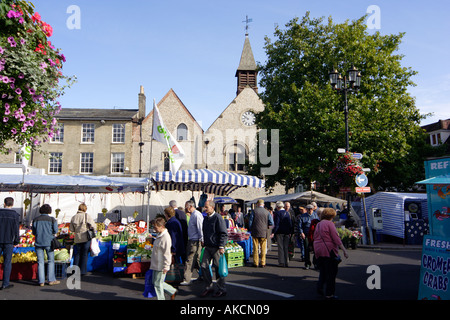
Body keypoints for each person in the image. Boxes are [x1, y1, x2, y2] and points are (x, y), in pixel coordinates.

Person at [313, 208, 348, 299]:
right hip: (328, 250)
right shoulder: (329, 224)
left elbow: (315, 237)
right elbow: (336, 238)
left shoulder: (318, 224)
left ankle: (320, 286)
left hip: (318, 249)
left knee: (323, 271)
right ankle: (329, 293)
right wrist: (344, 250)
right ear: (331, 216)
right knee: (331, 273)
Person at [200, 200, 228, 298]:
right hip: (207, 246)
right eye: (205, 207)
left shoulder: (218, 218)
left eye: (206, 207)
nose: (205, 208)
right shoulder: (206, 218)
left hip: (216, 247)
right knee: (204, 266)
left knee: (218, 268)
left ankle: (221, 289)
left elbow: (223, 233)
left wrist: (221, 246)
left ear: (212, 207)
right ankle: (209, 287)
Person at [150, 217, 177, 300]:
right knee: (156, 282)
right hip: (156, 263)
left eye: (155, 227)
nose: (154, 229)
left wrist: (166, 266)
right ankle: (172, 291)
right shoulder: (159, 235)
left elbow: (167, 253)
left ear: (161, 226)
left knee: (158, 284)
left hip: (161, 264)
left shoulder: (165, 237)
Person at [32, 204, 60, 286]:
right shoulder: (52, 220)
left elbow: (34, 232)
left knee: (40, 262)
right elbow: (55, 230)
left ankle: (41, 281)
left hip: (38, 242)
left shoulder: (35, 219)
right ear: (49, 211)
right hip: (49, 242)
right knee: (51, 261)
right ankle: (51, 280)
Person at [180, 200, 204, 285]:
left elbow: (200, 228)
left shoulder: (196, 215)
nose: (186, 209)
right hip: (193, 240)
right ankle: (203, 276)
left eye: (186, 207)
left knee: (190, 259)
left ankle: (187, 279)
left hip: (195, 241)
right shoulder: (193, 215)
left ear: (190, 206)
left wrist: (201, 239)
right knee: (196, 260)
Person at [69, 203, 97, 275]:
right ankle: (83, 271)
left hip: (77, 238)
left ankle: (75, 271)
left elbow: (71, 229)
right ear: (85, 209)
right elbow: (94, 226)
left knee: (77, 254)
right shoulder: (86, 216)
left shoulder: (74, 217)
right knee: (84, 254)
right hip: (86, 237)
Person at [0, 197, 20, 290]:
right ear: (12, 204)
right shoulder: (15, 215)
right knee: (7, 262)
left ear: (4, 203)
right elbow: (16, 230)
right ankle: (5, 283)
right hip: (9, 241)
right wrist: (16, 241)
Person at [249, 199, 273, 267]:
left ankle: (256, 262)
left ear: (257, 204)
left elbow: (250, 222)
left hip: (255, 231)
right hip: (264, 231)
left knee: (256, 248)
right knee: (263, 248)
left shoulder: (254, 211)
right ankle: (263, 262)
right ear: (263, 204)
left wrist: (251, 228)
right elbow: (271, 222)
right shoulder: (267, 212)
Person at [271, 201, 292, 267]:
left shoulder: (277, 213)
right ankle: (286, 261)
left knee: (280, 247)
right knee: (286, 247)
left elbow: (277, 224)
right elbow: (290, 223)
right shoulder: (287, 213)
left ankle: (281, 262)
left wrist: (273, 232)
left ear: (277, 207)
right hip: (287, 232)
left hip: (280, 232)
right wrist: (290, 231)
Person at [298, 204, 319, 269]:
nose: (309, 211)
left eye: (311, 209)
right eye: (308, 209)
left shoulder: (316, 216)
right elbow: (300, 226)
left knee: (315, 249)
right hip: (306, 233)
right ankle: (307, 263)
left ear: (313, 209)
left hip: (314, 234)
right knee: (306, 249)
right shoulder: (302, 216)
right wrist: (302, 233)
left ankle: (315, 263)